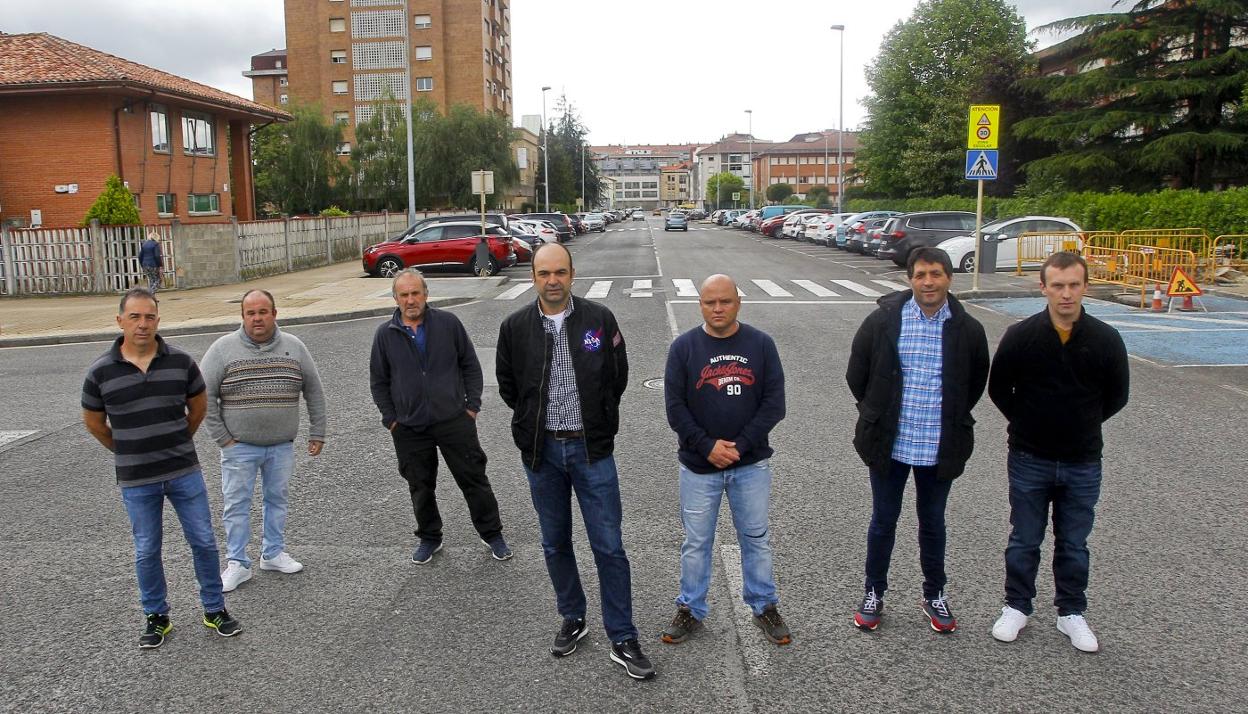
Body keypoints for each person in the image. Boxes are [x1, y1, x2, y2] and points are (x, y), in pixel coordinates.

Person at [495, 242, 655, 681]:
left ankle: (622, 636)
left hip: (591, 450)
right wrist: (535, 424)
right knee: (554, 543)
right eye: (544, 273)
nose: (552, 280)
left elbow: (617, 376)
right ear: (533, 277)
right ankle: (573, 616)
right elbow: (509, 386)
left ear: (572, 274)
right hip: (541, 453)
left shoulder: (598, 320)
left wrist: (598, 420)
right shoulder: (514, 327)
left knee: (609, 546)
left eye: (560, 272)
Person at [81, 286, 241, 649]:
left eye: (149, 316)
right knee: (147, 549)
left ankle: (214, 609)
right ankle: (156, 616)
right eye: (134, 317)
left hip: (184, 470)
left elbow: (197, 407)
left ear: (158, 320)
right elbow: (93, 421)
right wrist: (125, 449)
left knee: (203, 541)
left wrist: (178, 440)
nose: (142, 324)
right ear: (119, 320)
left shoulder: (181, 362)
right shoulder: (101, 372)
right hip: (137, 479)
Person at [988, 251, 1129, 653]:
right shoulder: (1022, 336)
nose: (1066, 294)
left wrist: (1082, 422)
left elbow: (1117, 396)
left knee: (1074, 543)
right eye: (1057, 286)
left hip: (1083, 459)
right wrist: (1030, 421)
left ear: (1085, 287)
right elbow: (1000, 389)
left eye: (1073, 285)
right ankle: (1017, 606)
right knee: (1024, 539)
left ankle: (1071, 612)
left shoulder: (1105, 339)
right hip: (1029, 456)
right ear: (1043, 288)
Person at [845, 247, 989, 633]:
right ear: (909, 278)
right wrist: (875, 412)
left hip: (939, 445)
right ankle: (873, 592)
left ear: (948, 278)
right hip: (890, 443)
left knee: (933, 523)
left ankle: (935, 594)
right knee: (883, 522)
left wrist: (953, 416)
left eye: (937, 274)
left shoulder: (967, 329)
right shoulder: (883, 322)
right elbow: (857, 374)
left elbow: (975, 383)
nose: (929, 282)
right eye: (921, 274)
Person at [661, 274, 791, 646]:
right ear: (700, 304)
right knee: (696, 542)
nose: (717, 309)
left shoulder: (761, 345)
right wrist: (706, 446)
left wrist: (740, 445)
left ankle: (764, 605)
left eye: (725, 302)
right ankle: (690, 608)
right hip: (698, 467)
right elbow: (675, 408)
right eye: (709, 302)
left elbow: (774, 403)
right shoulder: (684, 348)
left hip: (750, 465)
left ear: (738, 302)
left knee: (756, 538)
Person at [369, 268, 510, 564]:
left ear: (426, 294)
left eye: (415, 293)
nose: (410, 300)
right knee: (420, 486)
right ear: (395, 298)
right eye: (404, 294)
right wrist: (391, 419)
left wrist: (471, 406)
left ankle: (492, 533)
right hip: (408, 427)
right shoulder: (385, 335)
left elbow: (470, 365)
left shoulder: (448, 324)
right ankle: (430, 537)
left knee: (473, 478)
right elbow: (379, 381)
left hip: (454, 420)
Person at [201, 289, 327, 592]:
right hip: (238, 447)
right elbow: (202, 395)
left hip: (281, 445)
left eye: (263, 312)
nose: (257, 318)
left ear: (274, 313)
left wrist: (318, 431)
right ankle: (237, 563)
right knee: (236, 505)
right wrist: (223, 439)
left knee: (277, 500)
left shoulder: (295, 347)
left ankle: (272, 553)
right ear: (243, 316)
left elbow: (314, 390)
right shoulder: (222, 349)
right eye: (250, 313)